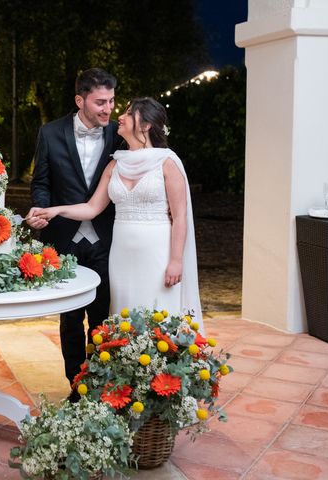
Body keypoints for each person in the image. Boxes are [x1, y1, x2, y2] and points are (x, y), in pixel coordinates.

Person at [29, 97, 203, 333]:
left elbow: (181, 217)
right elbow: (91, 208)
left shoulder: (167, 163)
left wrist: (175, 260)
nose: (119, 116)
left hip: (157, 253)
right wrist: (56, 210)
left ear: (146, 125)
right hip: (120, 256)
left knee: (158, 315)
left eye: (130, 114)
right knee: (124, 314)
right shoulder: (116, 165)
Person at [27, 68, 121, 399]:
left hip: (106, 240)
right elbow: (41, 182)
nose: (108, 109)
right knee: (70, 320)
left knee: (101, 315)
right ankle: (77, 386)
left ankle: (100, 384)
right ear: (80, 100)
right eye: (100, 102)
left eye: (111, 100)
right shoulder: (50, 133)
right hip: (63, 240)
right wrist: (41, 211)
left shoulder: (119, 135)